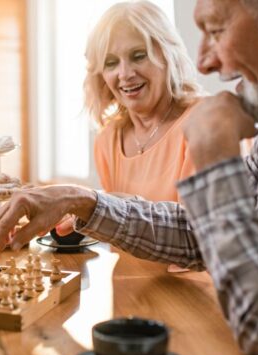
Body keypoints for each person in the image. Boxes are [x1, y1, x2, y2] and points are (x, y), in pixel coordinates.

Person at [0, 0, 258, 355]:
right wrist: (85, 201)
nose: (205, 62)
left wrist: (216, 160)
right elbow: (198, 230)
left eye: (215, 30)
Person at [55, 0, 203, 249]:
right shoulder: (108, 139)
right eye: (111, 62)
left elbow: (196, 237)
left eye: (138, 56)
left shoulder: (205, 122)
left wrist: (100, 204)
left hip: (192, 287)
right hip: (125, 285)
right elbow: (121, 236)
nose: (125, 74)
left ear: (168, 55)